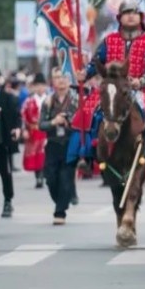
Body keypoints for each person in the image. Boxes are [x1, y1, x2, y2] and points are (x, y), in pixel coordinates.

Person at [81, 0, 145, 169]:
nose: (131, 15)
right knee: (89, 111)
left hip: (142, 89)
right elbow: (96, 62)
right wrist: (84, 74)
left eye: (135, 12)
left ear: (140, 17)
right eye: (127, 13)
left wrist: (141, 81)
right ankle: (89, 152)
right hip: (112, 87)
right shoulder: (109, 40)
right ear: (120, 18)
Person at [39, 70, 80, 225]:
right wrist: (53, 122)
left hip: (70, 143)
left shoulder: (76, 99)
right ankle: (62, 201)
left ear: (69, 81)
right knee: (51, 179)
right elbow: (40, 125)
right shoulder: (48, 101)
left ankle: (60, 212)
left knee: (65, 178)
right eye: (57, 77)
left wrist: (70, 122)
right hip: (53, 143)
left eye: (64, 77)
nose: (61, 81)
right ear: (53, 81)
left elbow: (82, 122)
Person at [0, 75, 22, 218]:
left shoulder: (6, 97)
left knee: (5, 171)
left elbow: (17, 115)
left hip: (2, 140)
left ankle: (8, 200)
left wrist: (17, 128)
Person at [21, 73, 49, 189]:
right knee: (35, 156)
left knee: (45, 155)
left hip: (46, 131)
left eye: (42, 85)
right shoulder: (28, 101)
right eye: (37, 85)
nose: (40, 88)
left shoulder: (49, 99)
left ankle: (43, 175)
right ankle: (38, 176)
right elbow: (23, 116)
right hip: (33, 131)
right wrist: (24, 130)